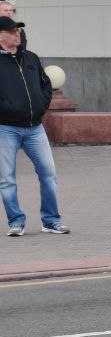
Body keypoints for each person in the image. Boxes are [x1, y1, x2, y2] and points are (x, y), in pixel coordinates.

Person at [0, 15, 68, 236]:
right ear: (1, 35)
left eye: (18, 30)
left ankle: (50, 220)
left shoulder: (31, 58)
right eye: (11, 31)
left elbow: (45, 84)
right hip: (6, 128)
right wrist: (7, 110)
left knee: (48, 173)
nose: (17, 33)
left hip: (35, 127)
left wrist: (41, 104)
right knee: (7, 178)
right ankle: (16, 222)